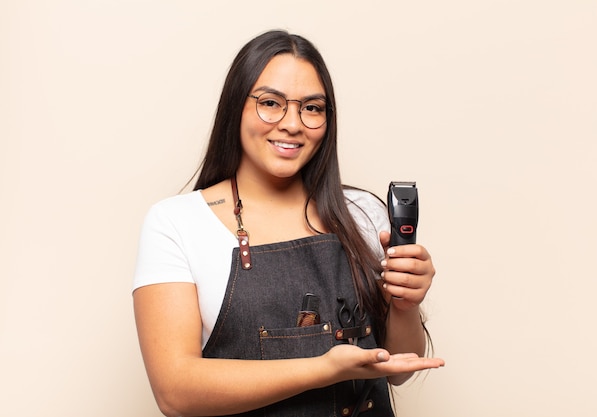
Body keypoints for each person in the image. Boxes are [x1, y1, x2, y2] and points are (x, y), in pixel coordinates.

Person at [133, 29, 444, 417]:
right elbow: (176, 392)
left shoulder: (363, 212)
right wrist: (322, 369)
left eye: (312, 108)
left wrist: (405, 302)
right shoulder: (176, 223)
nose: (293, 124)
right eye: (270, 103)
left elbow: (400, 367)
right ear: (236, 107)